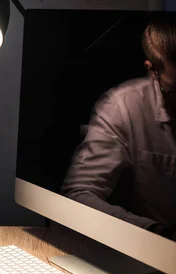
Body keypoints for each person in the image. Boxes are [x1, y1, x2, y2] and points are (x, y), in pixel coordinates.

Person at [61, 15, 176, 241]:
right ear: (152, 70)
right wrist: (156, 233)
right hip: (153, 255)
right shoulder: (123, 106)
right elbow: (79, 195)